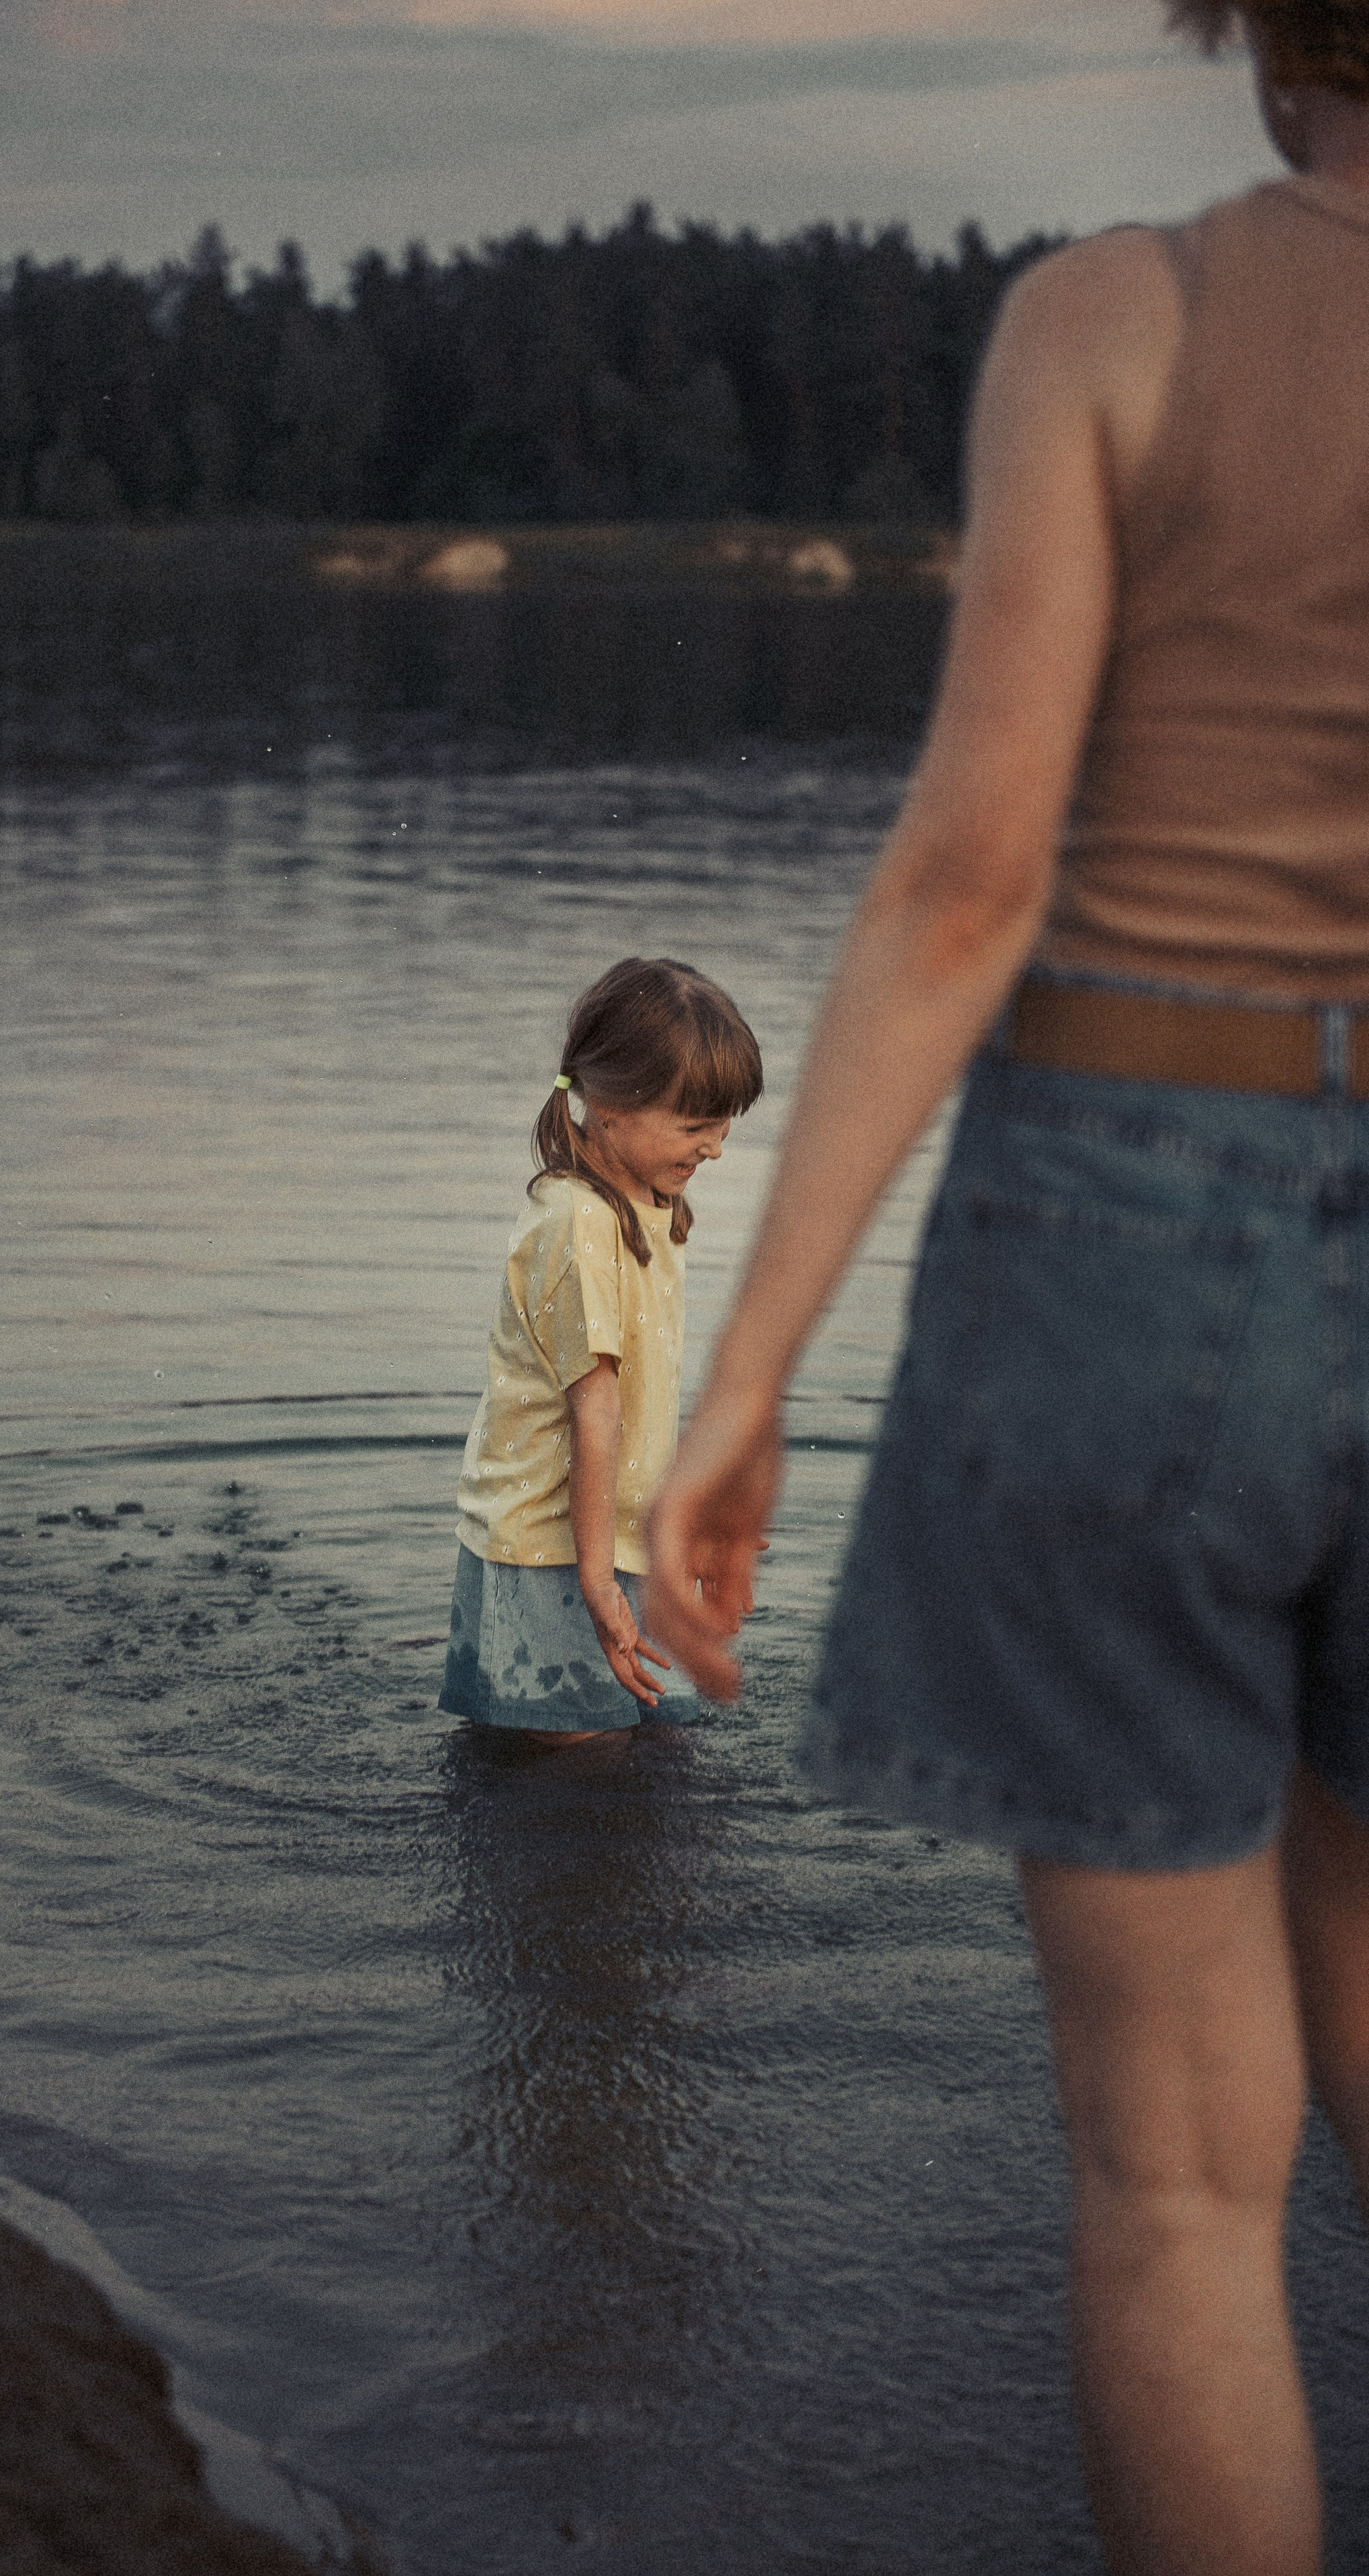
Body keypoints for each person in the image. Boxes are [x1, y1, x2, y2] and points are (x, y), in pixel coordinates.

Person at [643, 7, 1369, 2571]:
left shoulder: (1110, 317)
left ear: (1267, 33)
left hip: (1120, 1235)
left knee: (1176, 2180)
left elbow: (963, 881)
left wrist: (743, 1372)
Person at [439, 957, 762, 1747]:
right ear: (610, 1106)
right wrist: (593, 1581)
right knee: (569, 1770)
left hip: (617, 1534)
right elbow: (597, 1412)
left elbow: (651, 1400)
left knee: (639, 1764)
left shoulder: (651, 1201)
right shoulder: (580, 1224)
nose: (715, 1149)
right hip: (553, 1549)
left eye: (725, 1125)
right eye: (695, 1126)